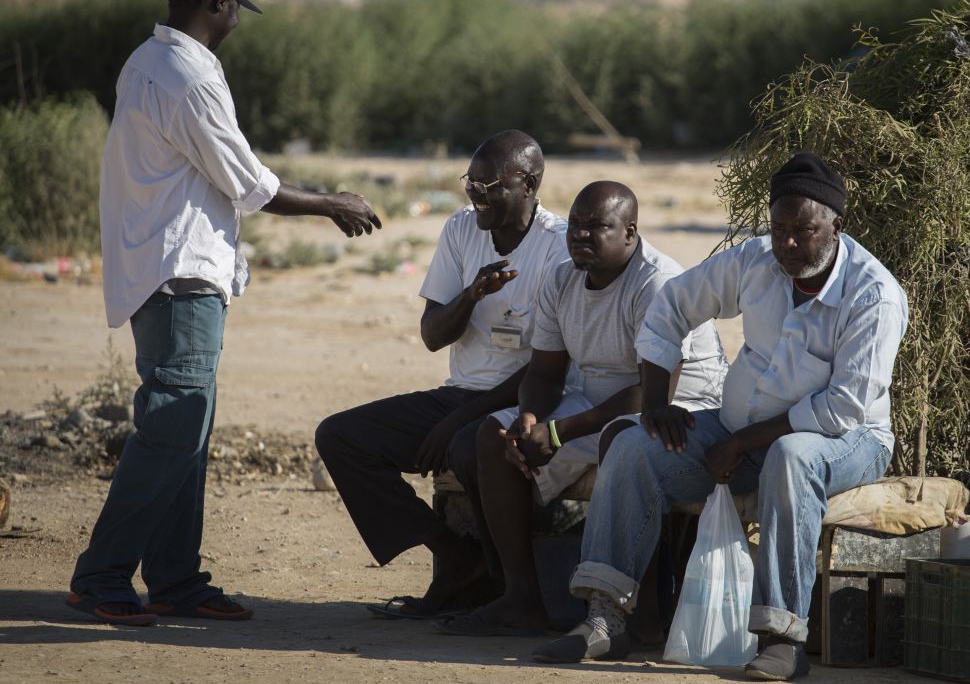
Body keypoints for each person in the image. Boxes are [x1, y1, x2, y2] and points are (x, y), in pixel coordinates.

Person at [69, 0, 382, 627]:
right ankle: (101, 576)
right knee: (173, 428)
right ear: (220, 4)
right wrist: (331, 203)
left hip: (160, 269)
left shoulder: (146, 60)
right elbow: (248, 183)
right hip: (180, 276)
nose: (237, 22)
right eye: (236, 10)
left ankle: (176, 579)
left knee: (186, 430)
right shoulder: (188, 78)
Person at [534, 153, 908, 681]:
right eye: (778, 230)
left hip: (847, 439)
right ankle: (605, 618)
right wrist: (657, 402)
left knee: (791, 457)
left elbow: (841, 408)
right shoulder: (755, 261)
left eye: (802, 232)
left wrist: (740, 443)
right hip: (743, 431)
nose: (787, 244)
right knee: (633, 446)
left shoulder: (874, 295)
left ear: (835, 227)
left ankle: (783, 639)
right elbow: (671, 307)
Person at [433, 181, 727, 638]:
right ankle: (522, 599)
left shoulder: (656, 282)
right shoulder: (562, 278)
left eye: (597, 226)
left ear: (630, 232)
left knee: (624, 441)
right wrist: (530, 420)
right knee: (494, 437)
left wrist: (558, 434)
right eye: (574, 225)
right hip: (597, 398)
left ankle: (643, 610)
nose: (581, 235)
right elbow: (545, 373)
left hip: (678, 405)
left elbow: (651, 393)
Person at [314, 130, 569, 619]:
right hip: (460, 396)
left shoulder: (557, 247)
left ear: (529, 184)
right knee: (341, 438)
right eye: (470, 183)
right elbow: (433, 335)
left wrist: (459, 420)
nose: (476, 196)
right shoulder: (460, 229)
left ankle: (506, 587)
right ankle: (457, 558)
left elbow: (552, 368)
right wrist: (470, 296)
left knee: (467, 445)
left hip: (524, 401)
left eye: (489, 186)